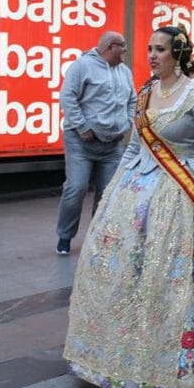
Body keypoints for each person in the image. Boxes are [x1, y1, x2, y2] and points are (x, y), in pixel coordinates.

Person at [63, 25, 194, 388]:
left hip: (186, 193)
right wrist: (111, 193)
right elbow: (134, 148)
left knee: (187, 277)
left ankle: (190, 362)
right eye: (149, 48)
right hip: (138, 192)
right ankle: (125, 356)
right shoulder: (146, 92)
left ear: (177, 53)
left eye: (159, 49)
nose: (151, 55)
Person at [55, 31, 136, 255]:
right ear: (110, 47)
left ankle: (98, 237)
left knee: (107, 192)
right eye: (122, 45)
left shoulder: (124, 71)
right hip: (81, 141)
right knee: (76, 188)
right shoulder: (82, 66)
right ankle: (64, 236)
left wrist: (126, 123)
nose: (125, 50)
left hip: (113, 144)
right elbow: (67, 97)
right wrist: (82, 127)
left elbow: (132, 100)